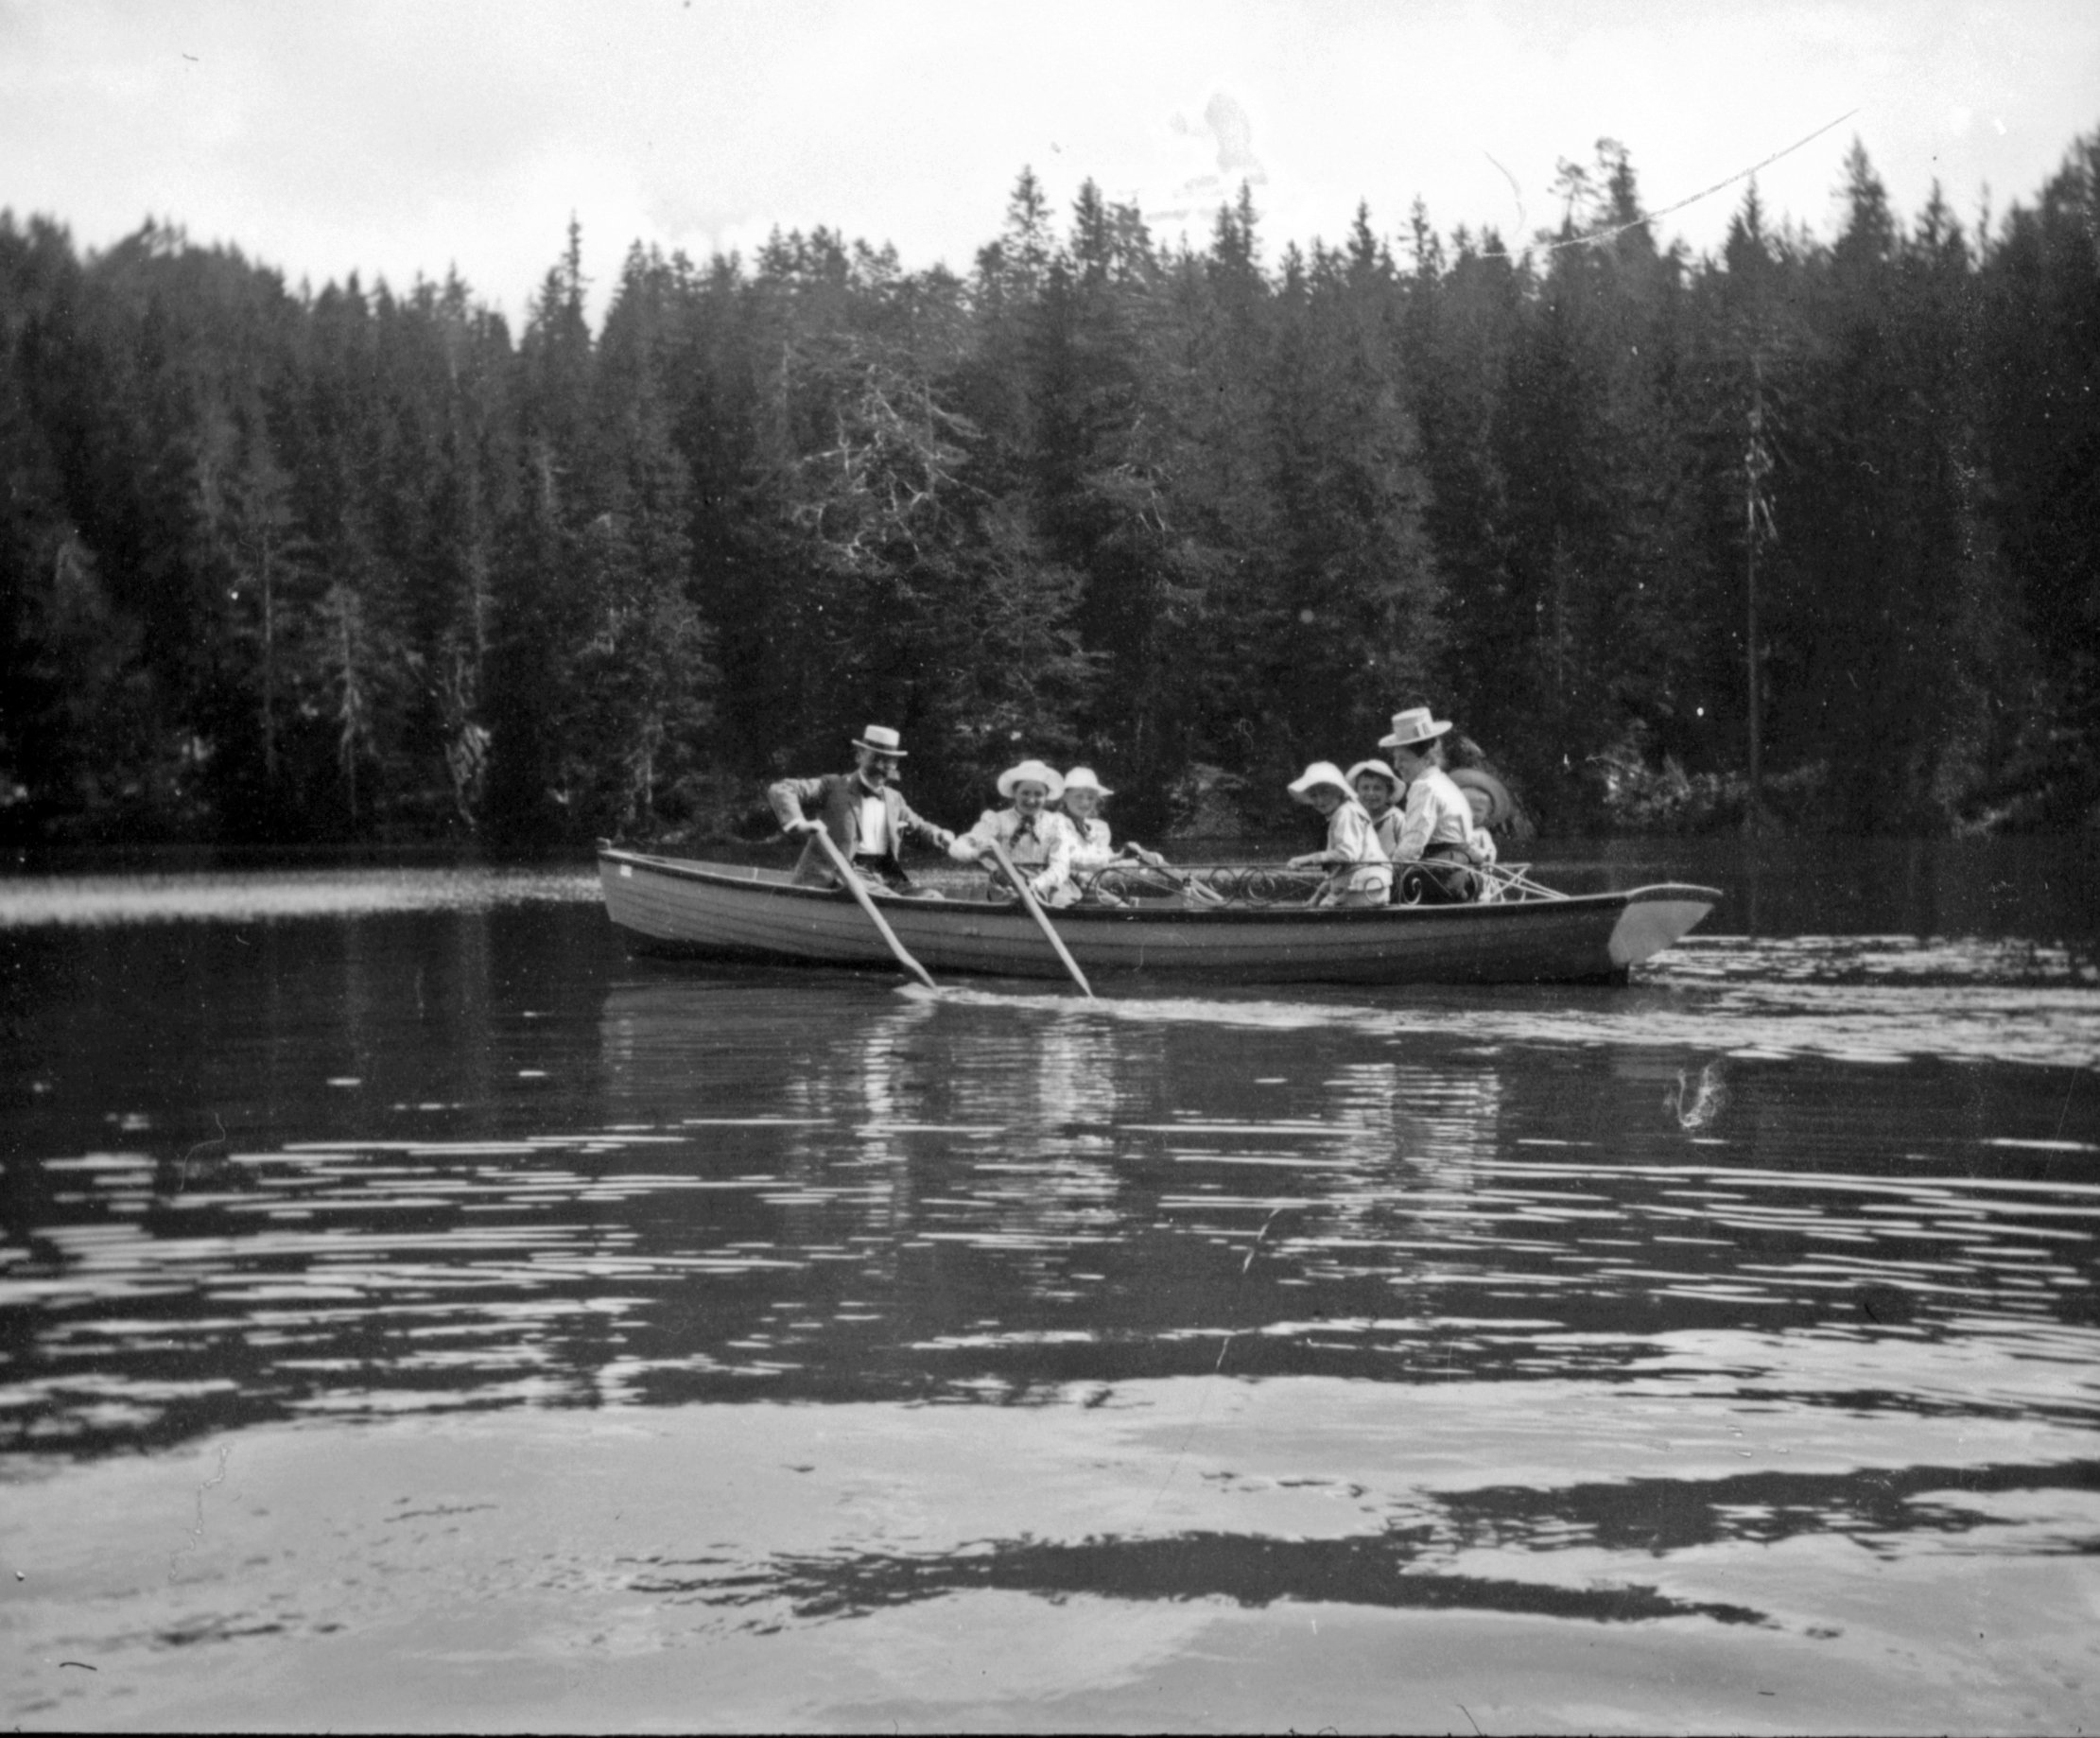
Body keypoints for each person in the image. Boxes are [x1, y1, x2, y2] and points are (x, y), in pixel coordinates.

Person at [768, 723, 959, 896]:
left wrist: (939, 834)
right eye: (876, 758)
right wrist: (798, 823)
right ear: (859, 755)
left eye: (890, 761)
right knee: (887, 898)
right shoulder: (833, 786)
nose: (883, 766)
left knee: (932, 897)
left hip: (885, 878)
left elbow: (920, 828)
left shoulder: (895, 800)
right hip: (840, 878)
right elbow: (782, 789)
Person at [1378, 706, 1498, 903]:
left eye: (1403, 759)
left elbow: (1412, 846)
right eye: (1395, 759)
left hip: (1440, 878)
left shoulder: (1423, 787)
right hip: (1460, 874)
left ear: (1426, 758)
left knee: (1370, 886)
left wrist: (1384, 873)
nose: (1396, 766)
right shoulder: (1445, 783)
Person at [1042, 766, 1173, 907]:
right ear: (1065, 797)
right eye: (1078, 796)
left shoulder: (1099, 827)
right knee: (1165, 882)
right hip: (1077, 883)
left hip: (1100, 878)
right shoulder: (1057, 823)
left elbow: (1107, 859)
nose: (1085, 803)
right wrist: (1120, 858)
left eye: (1090, 798)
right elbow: (1074, 860)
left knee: (1162, 870)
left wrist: (1139, 858)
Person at [949, 759, 1075, 902]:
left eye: (1038, 794)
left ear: (1046, 796)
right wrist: (976, 852)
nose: (1031, 800)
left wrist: (1036, 884)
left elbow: (1061, 865)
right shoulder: (997, 820)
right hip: (1007, 883)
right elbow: (962, 845)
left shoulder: (1056, 823)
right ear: (1015, 793)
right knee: (1013, 900)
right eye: (1025, 793)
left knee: (1060, 902)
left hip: (1046, 882)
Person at [1285, 760, 1393, 907]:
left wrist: (1308, 859)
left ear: (1339, 791)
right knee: (1319, 907)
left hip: (1367, 887)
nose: (1320, 801)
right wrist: (1316, 897)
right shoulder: (1342, 812)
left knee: (1323, 912)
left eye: (1325, 792)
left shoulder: (1346, 813)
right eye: (1314, 795)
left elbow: (1347, 854)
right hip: (1365, 886)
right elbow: (1338, 870)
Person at [1345, 758, 1406, 860]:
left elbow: (1407, 852)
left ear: (1388, 793)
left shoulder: (1396, 819)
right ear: (1357, 792)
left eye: (1377, 788)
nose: (1371, 794)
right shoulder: (1355, 818)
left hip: (1391, 872)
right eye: (1365, 788)